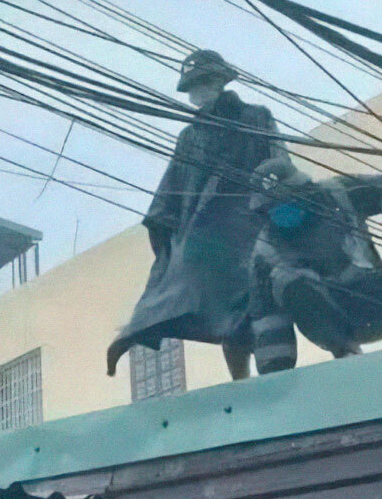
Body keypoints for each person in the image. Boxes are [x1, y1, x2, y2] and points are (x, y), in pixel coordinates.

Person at [106, 50, 292, 380]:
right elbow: (171, 192)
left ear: (220, 81)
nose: (197, 91)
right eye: (193, 85)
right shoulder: (190, 137)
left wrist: (276, 205)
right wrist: (167, 240)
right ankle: (241, 383)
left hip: (252, 230)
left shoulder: (256, 118)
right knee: (225, 318)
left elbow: (279, 167)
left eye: (203, 82)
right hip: (210, 242)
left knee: (265, 305)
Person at [245, 157, 382, 374]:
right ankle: (347, 355)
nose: (284, 212)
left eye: (290, 202)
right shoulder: (266, 252)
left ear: (305, 191)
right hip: (330, 315)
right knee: (286, 278)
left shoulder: (338, 193)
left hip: (375, 296)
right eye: (274, 209)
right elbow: (268, 322)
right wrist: (276, 380)